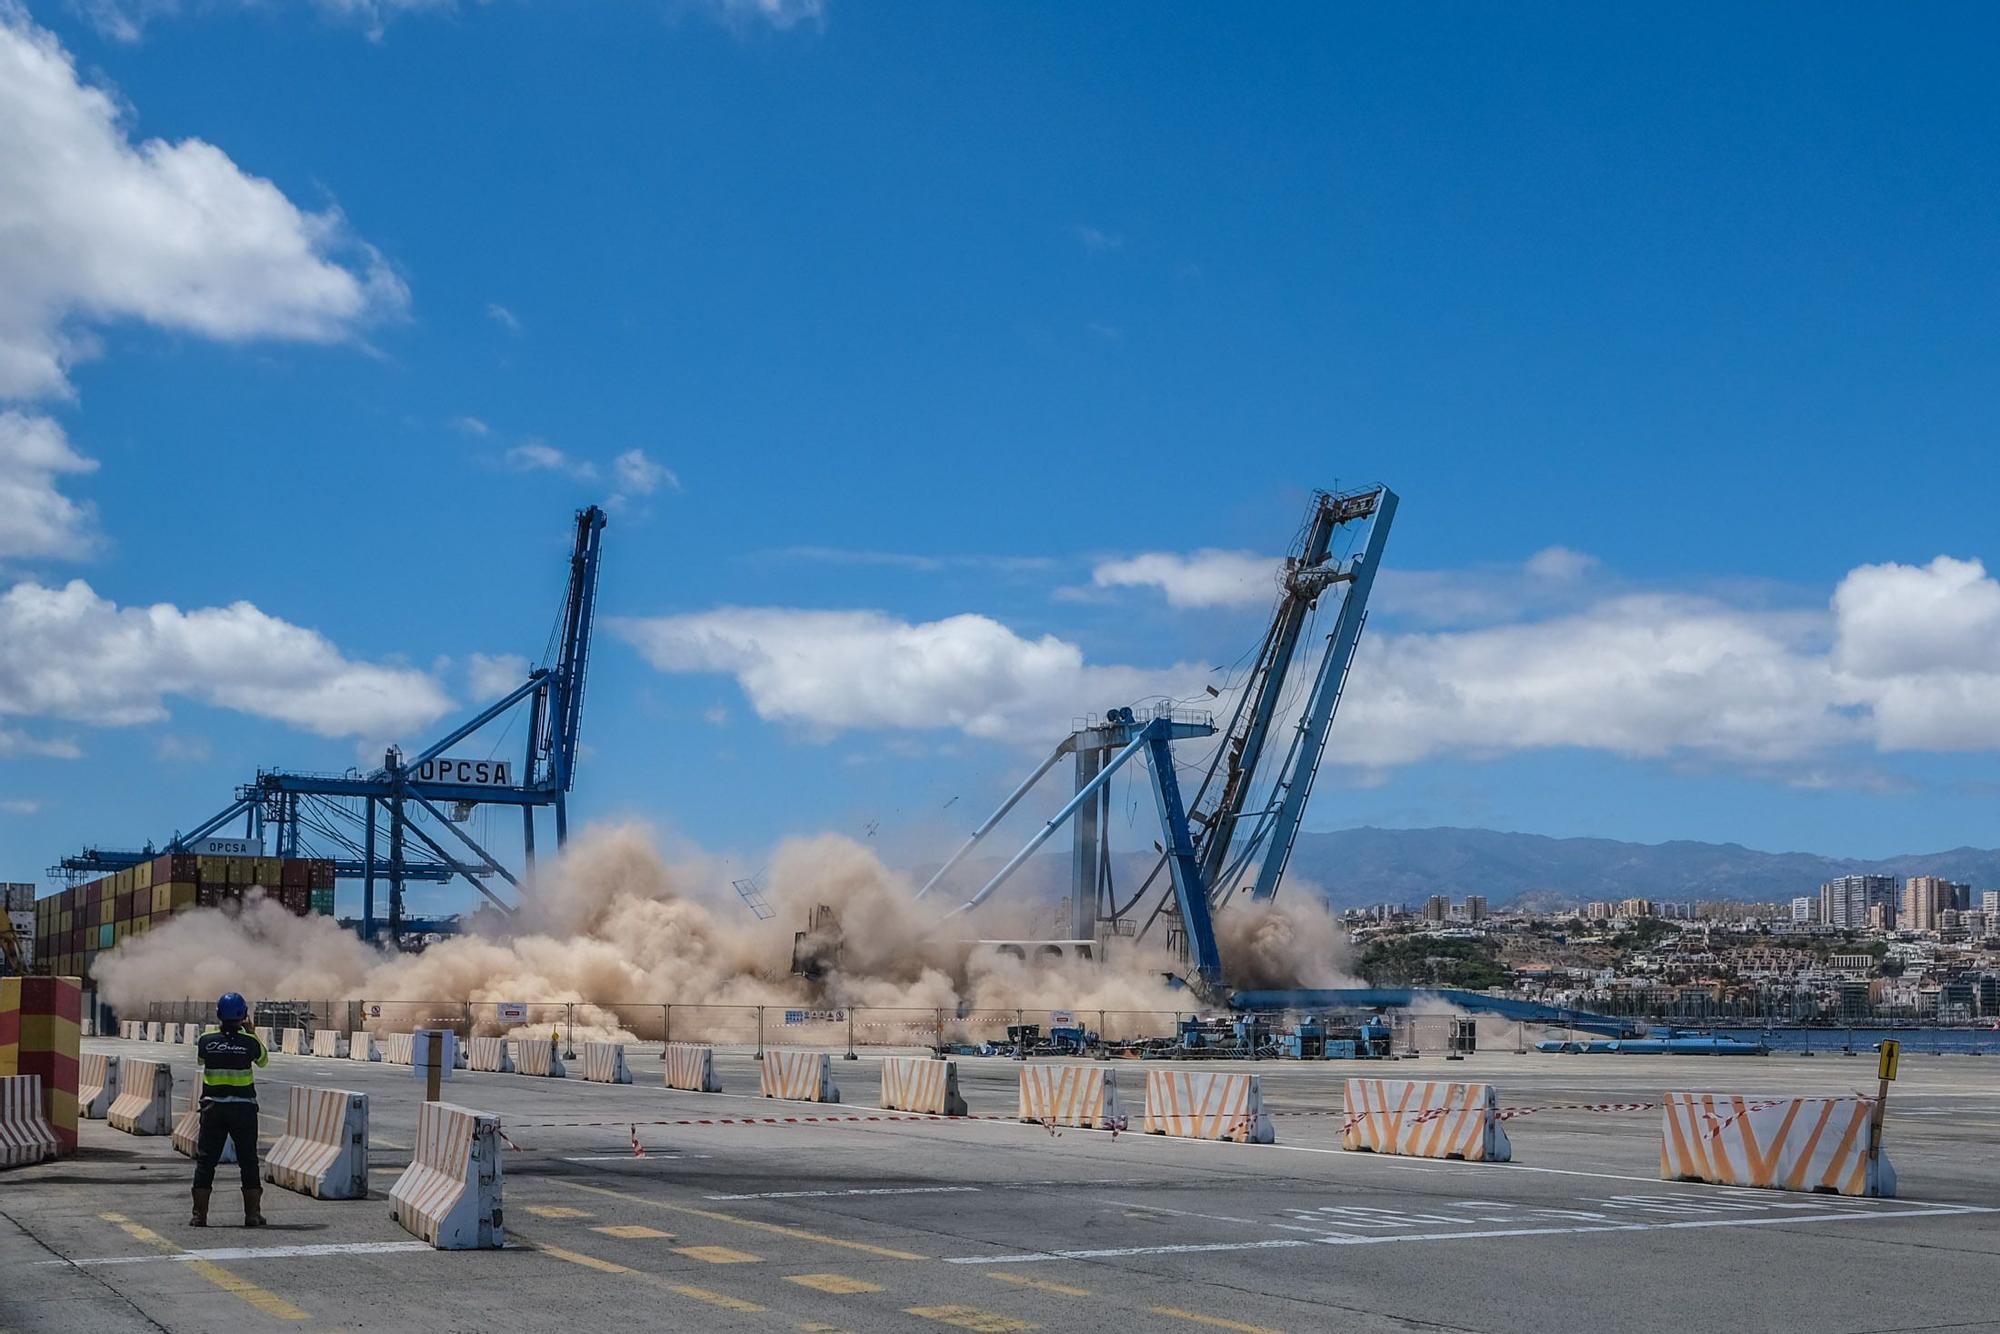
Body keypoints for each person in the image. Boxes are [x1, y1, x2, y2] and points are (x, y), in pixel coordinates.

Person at [190, 992, 269, 1227]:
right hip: (243, 1110)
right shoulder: (250, 1042)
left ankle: (199, 1215)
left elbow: (201, 1061)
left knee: (206, 1161)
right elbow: (263, 1060)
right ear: (244, 1015)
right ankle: (252, 1214)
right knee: (248, 1160)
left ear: (218, 1014)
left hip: (213, 1108)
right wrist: (251, 1032)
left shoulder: (206, 1039)